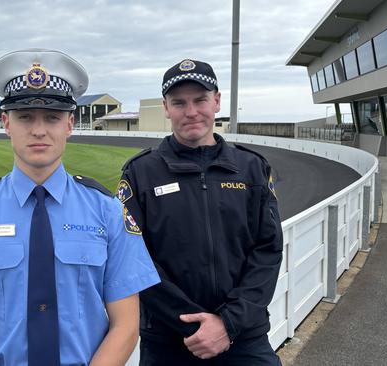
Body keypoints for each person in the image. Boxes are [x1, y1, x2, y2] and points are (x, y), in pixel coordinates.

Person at [0, 49, 160, 366]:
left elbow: (126, 325)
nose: (39, 130)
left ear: (69, 124)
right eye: (25, 117)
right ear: (6, 123)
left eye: (52, 118)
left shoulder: (108, 212)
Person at [118, 59, 283, 365]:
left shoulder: (251, 168)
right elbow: (134, 259)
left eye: (200, 100)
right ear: (166, 107)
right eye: (179, 103)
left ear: (217, 101)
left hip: (243, 337)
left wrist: (227, 324)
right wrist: (195, 326)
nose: (190, 112)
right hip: (168, 340)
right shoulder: (141, 173)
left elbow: (268, 251)